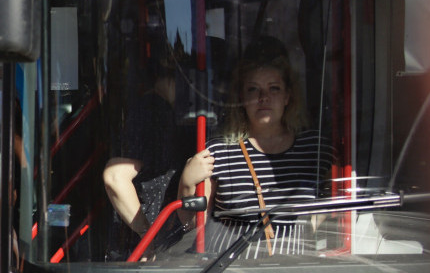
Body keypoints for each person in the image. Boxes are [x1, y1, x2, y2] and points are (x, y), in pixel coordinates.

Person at [179, 36, 333, 256]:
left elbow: (337, 201)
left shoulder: (315, 148)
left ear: (288, 96)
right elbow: (194, 227)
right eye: (253, 89)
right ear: (241, 97)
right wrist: (186, 183)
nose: (264, 98)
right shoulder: (219, 151)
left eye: (274, 89)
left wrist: (309, 228)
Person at [103, 53, 193, 249]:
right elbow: (115, 175)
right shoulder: (154, 113)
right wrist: (148, 236)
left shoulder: (149, 108)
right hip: (155, 231)